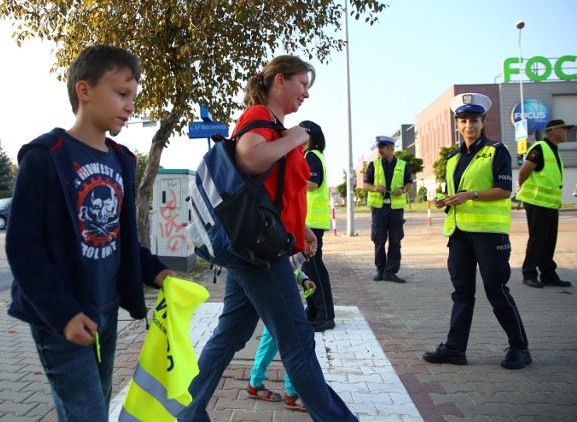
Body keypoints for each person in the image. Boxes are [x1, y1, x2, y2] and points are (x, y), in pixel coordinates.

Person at [180, 55, 358, 422]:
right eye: (302, 84)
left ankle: (186, 412)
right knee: (298, 340)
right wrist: (295, 137)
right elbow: (249, 158)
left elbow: (274, 194)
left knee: (230, 335)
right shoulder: (260, 118)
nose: (306, 94)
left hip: (253, 248)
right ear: (279, 81)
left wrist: (302, 229)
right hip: (260, 255)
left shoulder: (275, 125)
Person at [5, 45, 174, 421]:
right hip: (63, 316)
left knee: (95, 401)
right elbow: (22, 248)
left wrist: (156, 271)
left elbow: (122, 238)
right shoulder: (46, 156)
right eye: (121, 94)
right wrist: (62, 313)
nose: (130, 105)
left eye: (133, 96)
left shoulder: (120, 159)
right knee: (88, 414)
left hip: (107, 311)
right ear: (84, 91)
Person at [423, 92, 531, 370]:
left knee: (496, 289)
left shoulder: (496, 150)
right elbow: (455, 194)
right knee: (461, 292)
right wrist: (445, 201)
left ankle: (520, 347)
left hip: (489, 233)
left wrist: (470, 195)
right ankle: (455, 348)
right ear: (457, 124)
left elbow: (505, 190)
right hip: (459, 234)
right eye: (463, 120)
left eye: (474, 120)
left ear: (483, 122)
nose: (468, 125)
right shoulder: (451, 159)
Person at [246, 254, 316, 412]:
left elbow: (289, 269)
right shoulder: (285, 237)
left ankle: (254, 383)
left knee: (269, 343)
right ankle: (292, 394)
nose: (313, 246)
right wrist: (302, 255)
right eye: (309, 241)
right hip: (281, 302)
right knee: (295, 346)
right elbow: (282, 265)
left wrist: (303, 280)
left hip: (275, 302)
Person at [517, 119, 574, 289]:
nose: (567, 133)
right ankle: (529, 273)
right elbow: (523, 171)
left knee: (549, 240)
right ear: (555, 131)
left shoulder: (553, 150)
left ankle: (548, 274)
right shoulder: (540, 148)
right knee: (538, 239)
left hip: (549, 204)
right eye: (565, 130)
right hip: (536, 202)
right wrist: (522, 187)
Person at [299, 120, 336, 332]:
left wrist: (290, 180)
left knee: (314, 269)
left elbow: (313, 183)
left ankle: (325, 315)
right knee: (308, 269)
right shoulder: (310, 155)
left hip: (312, 222)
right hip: (310, 222)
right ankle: (313, 310)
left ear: (309, 136)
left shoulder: (311, 155)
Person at [363, 136, 413, 283]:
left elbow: (409, 184)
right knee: (379, 240)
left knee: (395, 240)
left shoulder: (403, 165)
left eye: (382, 147)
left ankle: (391, 271)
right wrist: (375, 188)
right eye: (379, 147)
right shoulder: (374, 165)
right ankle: (380, 270)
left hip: (396, 209)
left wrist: (402, 190)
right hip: (379, 209)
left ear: (391, 148)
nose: (379, 150)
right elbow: (366, 184)